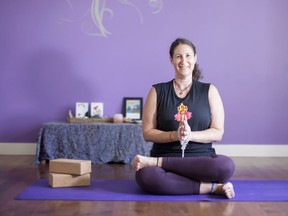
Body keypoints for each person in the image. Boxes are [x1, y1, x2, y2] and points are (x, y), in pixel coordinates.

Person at [133, 38, 235, 199]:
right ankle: (212, 188)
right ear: (171, 60)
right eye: (178, 56)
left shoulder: (210, 91)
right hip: (166, 154)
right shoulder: (157, 91)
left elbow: (217, 132)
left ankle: (158, 165)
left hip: (200, 160)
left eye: (188, 55)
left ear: (195, 58)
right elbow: (147, 133)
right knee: (145, 176)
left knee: (226, 166)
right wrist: (175, 135)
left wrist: (190, 135)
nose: (184, 61)